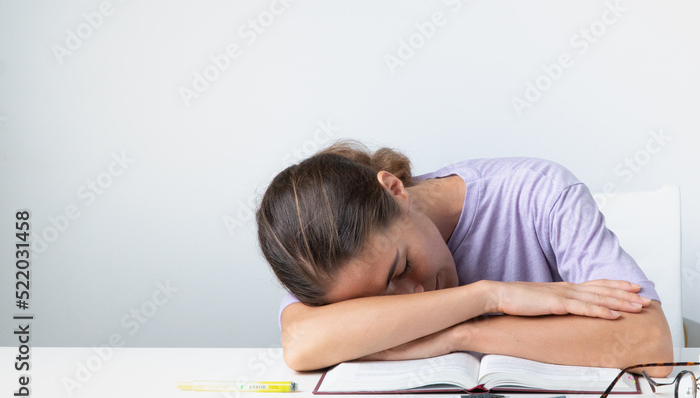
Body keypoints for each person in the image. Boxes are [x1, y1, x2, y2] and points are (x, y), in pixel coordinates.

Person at [256, 139, 673, 374]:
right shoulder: (324, 259)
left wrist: (463, 333)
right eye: (375, 303)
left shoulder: (537, 193)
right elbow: (301, 342)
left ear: (395, 191)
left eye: (401, 268)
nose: (415, 295)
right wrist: (489, 296)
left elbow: (650, 342)